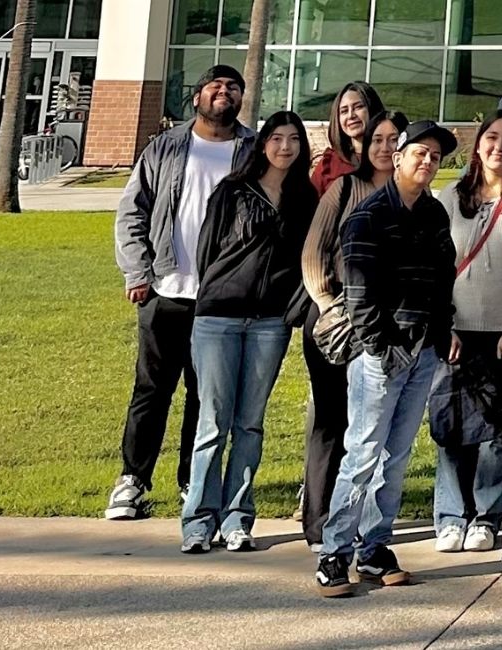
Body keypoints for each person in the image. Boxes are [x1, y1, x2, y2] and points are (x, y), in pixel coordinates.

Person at [315, 120, 457, 598]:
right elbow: (359, 291)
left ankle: (374, 547)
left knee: (395, 457)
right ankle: (334, 552)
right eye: (419, 153)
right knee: (362, 452)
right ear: (396, 157)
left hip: (422, 352)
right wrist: (380, 346)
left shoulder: (435, 214)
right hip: (380, 354)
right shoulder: (369, 215)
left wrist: (439, 336)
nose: (427, 162)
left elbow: (443, 279)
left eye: (435, 157)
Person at [107, 64, 254, 520]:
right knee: (152, 389)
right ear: (197, 98)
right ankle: (133, 480)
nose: (223, 92)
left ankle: (194, 477)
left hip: (222, 296)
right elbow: (133, 211)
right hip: (166, 290)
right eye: (215, 86)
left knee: (204, 393)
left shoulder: (253, 150)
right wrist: (137, 274)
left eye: (232, 87)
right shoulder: (166, 147)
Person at [181, 111, 315, 553]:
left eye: (294, 139)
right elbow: (207, 251)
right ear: (262, 145)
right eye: (276, 138)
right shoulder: (232, 192)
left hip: (269, 323)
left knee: (250, 424)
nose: (285, 147)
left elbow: (308, 260)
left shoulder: (304, 199)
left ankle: (238, 518)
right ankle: (198, 521)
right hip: (218, 317)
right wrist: (218, 294)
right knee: (212, 423)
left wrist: (292, 306)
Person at [298, 109, 405, 550]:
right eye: (378, 139)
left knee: (374, 428)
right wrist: (328, 304)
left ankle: (365, 526)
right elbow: (314, 251)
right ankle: (320, 519)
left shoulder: (413, 196)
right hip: (337, 319)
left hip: (385, 326)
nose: (384, 147)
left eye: (393, 140)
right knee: (330, 418)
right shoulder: (344, 189)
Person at [429, 113, 502, 556]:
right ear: (478, 145)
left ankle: (488, 515)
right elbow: (434, 268)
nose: (500, 147)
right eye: (492, 138)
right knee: (451, 423)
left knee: (501, 428)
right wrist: (444, 322)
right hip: (456, 330)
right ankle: (451, 515)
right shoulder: (449, 197)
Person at [310, 82, 384, 193]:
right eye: (344, 111)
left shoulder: (390, 157)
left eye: (358, 107)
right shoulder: (329, 163)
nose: (351, 115)